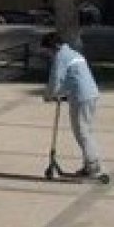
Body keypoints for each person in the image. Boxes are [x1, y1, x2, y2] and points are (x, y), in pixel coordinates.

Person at [42, 32, 105, 179]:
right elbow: (72, 78)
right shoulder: (73, 53)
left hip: (81, 97)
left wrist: (49, 95)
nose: (49, 55)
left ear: (55, 47)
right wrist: (60, 93)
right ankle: (89, 165)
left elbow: (56, 80)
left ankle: (94, 166)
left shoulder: (61, 57)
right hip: (90, 94)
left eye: (48, 51)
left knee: (82, 132)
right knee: (86, 131)